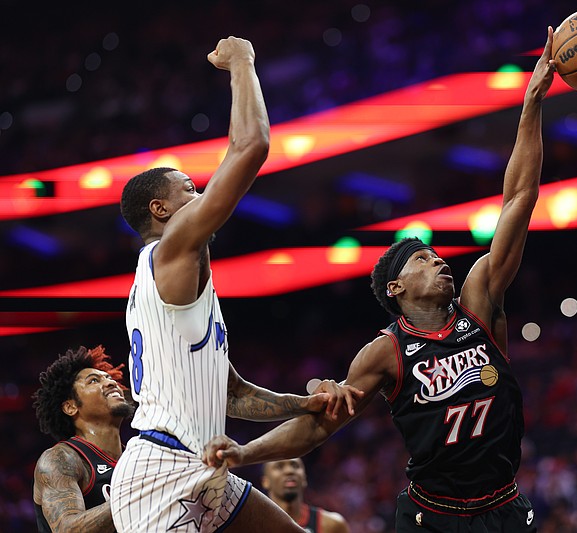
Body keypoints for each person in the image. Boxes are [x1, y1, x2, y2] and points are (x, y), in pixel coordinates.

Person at [202, 27, 557, 532]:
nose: (441, 264)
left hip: (504, 504)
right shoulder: (384, 353)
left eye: (439, 259)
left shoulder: (480, 299)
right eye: (424, 260)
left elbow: (519, 198)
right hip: (431, 516)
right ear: (396, 288)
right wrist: (243, 452)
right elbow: (317, 425)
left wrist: (532, 103)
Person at [112, 36, 361, 533]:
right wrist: (242, 61)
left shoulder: (172, 278)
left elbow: (233, 396)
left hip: (205, 466)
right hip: (162, 472)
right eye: (189, 189)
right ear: (161, 211)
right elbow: (251, 146)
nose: (201, 194)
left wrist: (304, 403)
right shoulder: (173, 247)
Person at [32, 345, 135, 532]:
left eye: (110, 378)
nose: (112, 384)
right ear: (71, 407)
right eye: (94, 380)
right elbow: (66, 529)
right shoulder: (62, 459)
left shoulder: (136, 457)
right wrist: (137, 495)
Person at [262, 458, 350, 533]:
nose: (289, 471)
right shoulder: (252, 525)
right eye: (279, 466)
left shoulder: (331, 525)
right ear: (265, 481)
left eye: (295, 466)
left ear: (304, 479)